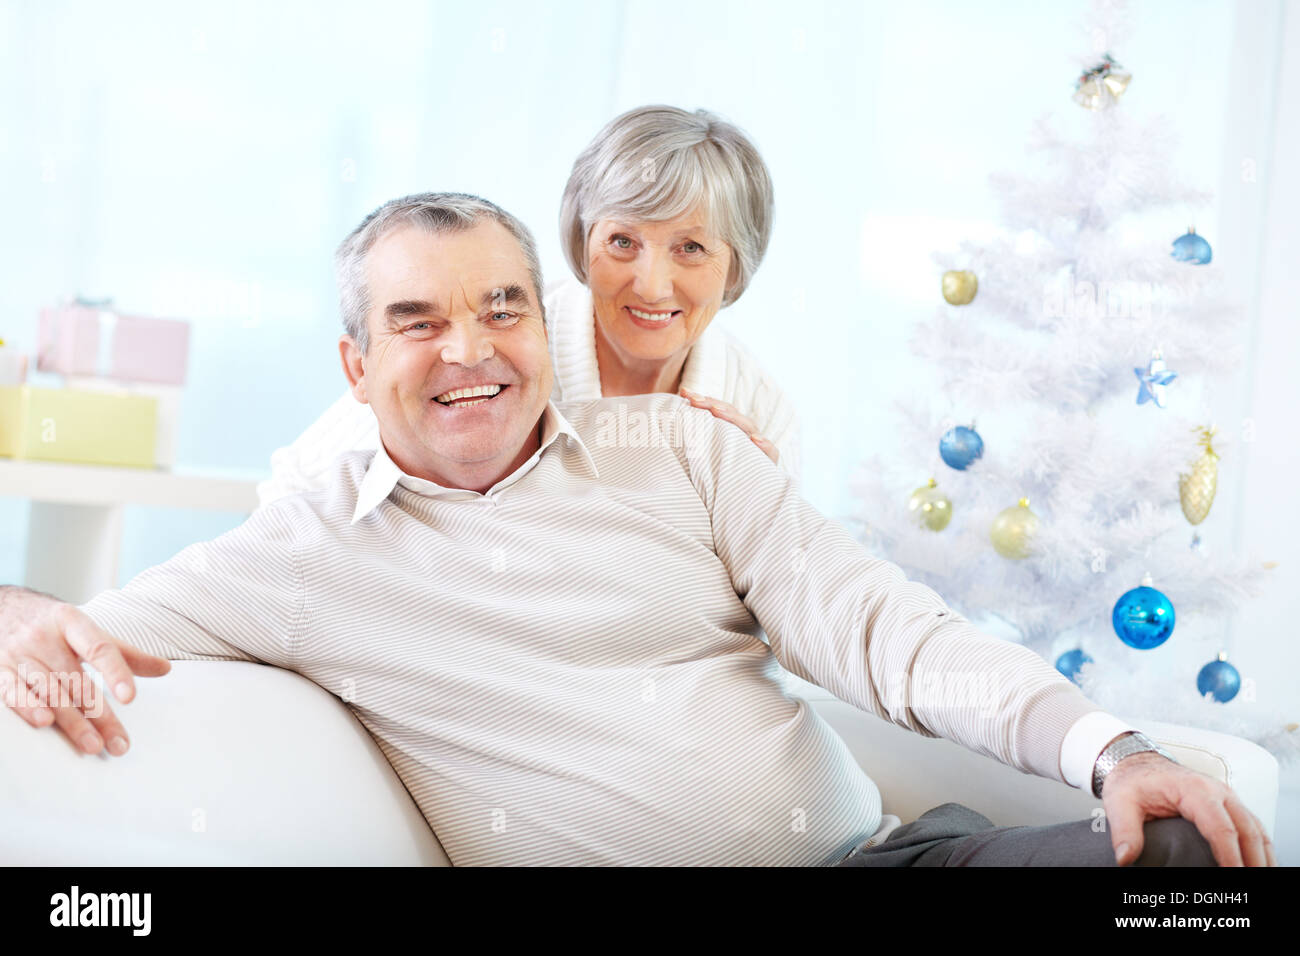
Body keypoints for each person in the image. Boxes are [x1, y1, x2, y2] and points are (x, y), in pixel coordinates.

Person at [0, 193, 1274, 867]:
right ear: (354, 360)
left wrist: (1117, 751)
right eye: (418, 321)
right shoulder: (300, 553)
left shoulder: (685, 454)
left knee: (1179, 853)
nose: (471, 351)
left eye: (502, 308)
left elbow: (893, 633)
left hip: (885, 864)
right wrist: (19, 618)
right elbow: (71, 625)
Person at [256, 105, 799, 508]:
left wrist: (755, 507)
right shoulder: (505, 346)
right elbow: (294, 492)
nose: (652, 286)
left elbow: (779, 595)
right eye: (622, 242)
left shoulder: (758, 406)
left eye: (692, 247)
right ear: (581, 240)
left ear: (735, 264)